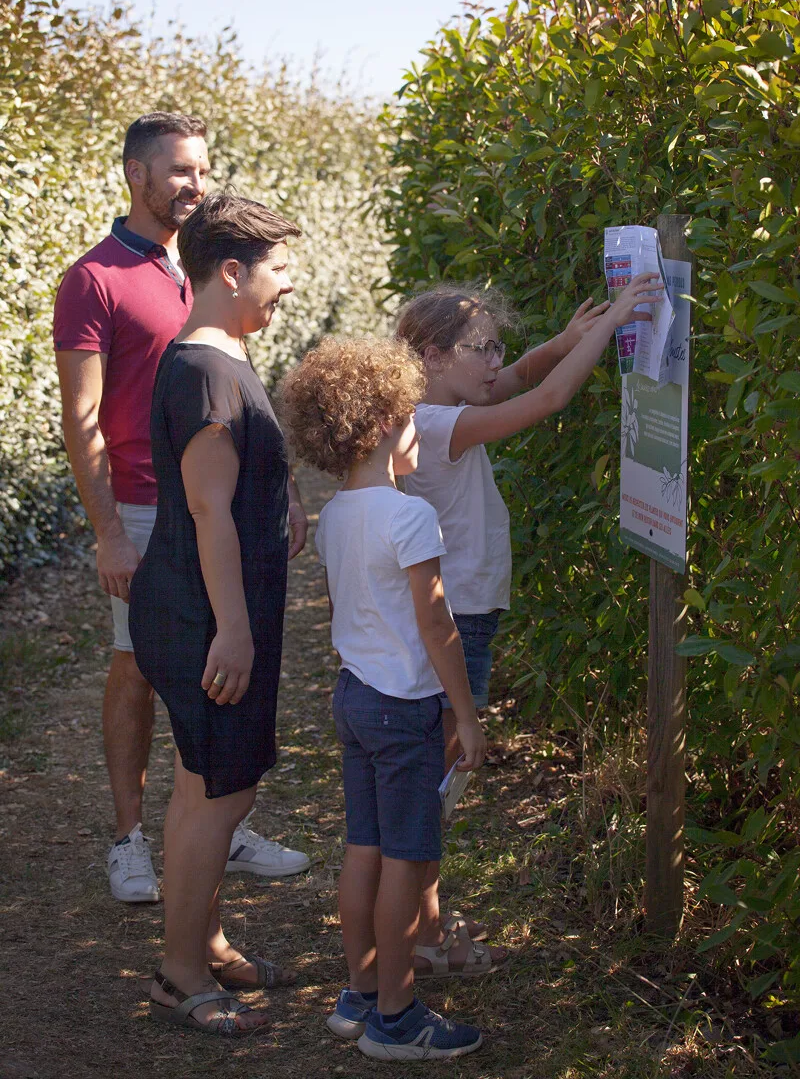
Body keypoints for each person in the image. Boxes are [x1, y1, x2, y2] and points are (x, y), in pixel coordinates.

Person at [53, 112, 309, 904]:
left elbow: (237, 379)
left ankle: (217, 823)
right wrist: (108, 534)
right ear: (137, 175)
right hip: (142, 507)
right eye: (179, 171)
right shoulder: (94, 279)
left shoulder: (204, 266)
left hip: (218, 498)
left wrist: (285, 486)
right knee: (140, 668)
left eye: (202, 169)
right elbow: (81, 416)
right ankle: (131, 839)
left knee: (214, 676)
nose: (196, 184)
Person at [395, 273, 663, 977]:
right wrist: (610, 328)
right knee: (434, 789)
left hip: (465, 614)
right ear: (429, 353)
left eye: (494, 347)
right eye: (478, 349)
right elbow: (545, 398)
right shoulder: (434, 426)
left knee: (435, 786)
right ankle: (414, 937)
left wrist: (564, 339)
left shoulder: (433, 409)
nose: (493, 362)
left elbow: (518, 378)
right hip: (459, 621)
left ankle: (422, 923)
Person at [280, 336, 488, 1062]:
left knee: (363, 848)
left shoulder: (337, 515)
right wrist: (464, 713)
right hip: (405, 709)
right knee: (406, 856)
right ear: (377, 430)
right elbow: (437, 626)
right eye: (408, 418)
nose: (418, 432)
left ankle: (362, 992)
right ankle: (396, 1019)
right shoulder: (408, 518)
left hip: (356, 699)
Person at [128, 190, 301, 1036]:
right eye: (278, 272)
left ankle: (209, 941)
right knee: (218, 798)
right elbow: (207, 512)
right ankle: (182, 974)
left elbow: (241, 482)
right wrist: (233, 628)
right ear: (231, 270)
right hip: (205, 617)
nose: (286, 288)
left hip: (212, 609)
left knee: (204, 785)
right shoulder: (203, 368)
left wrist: (286, 496)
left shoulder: (222, 356)